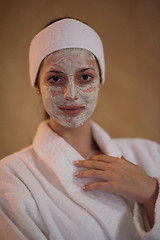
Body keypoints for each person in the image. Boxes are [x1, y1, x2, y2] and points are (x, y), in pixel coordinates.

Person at [0, 17, 160, 240]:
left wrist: (152, 192)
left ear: (100, 81)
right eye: (55, 79)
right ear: (37, 86)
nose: (71, 94)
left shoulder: (150, 153)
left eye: (85, 77)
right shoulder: (12, 176)